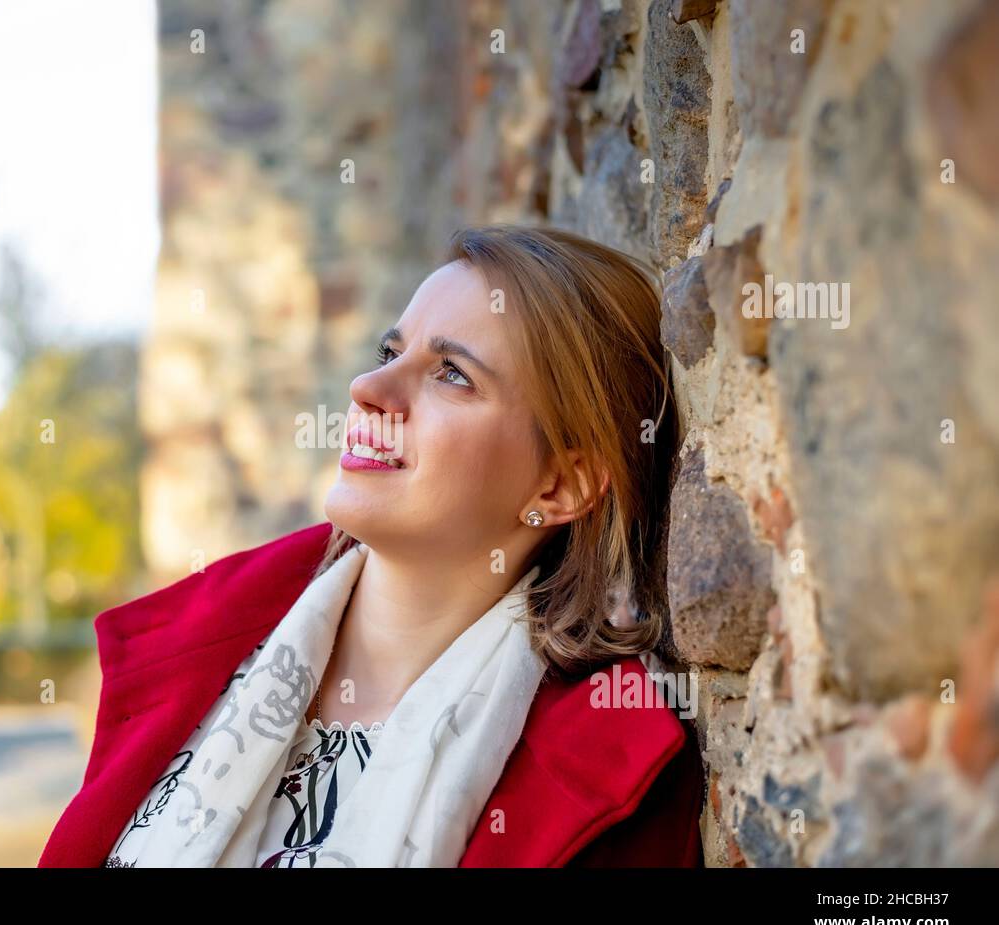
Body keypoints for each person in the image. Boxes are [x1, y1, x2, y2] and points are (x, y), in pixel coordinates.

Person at [39, 224, 704, 868]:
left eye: (451, 373)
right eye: (392, 354)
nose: (367, 390)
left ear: (562, 482)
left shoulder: (611, 786)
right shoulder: (197, 646)